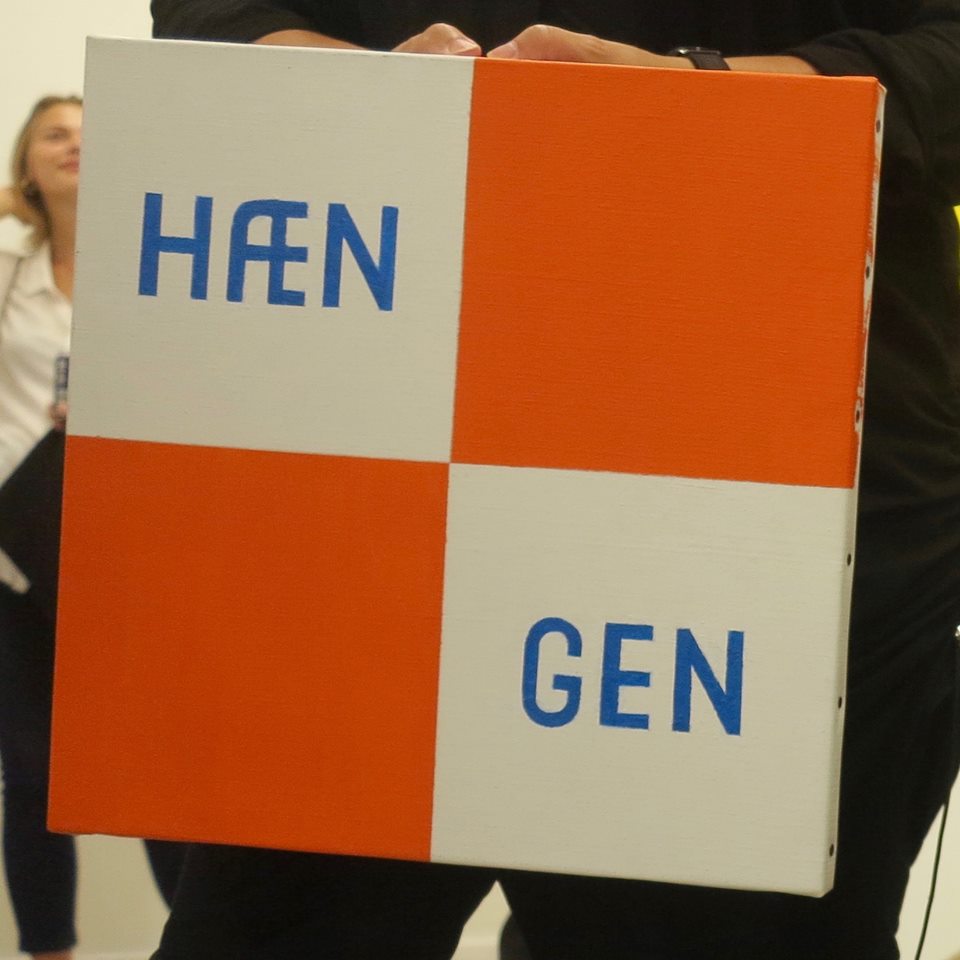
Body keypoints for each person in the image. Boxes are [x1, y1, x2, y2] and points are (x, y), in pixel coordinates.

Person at [148, 4, 960, 958]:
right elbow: (210, 15)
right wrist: (361, 79)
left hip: (785, 483)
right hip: (371, 459)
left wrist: (701, 91)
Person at [0, 95, 188, 960]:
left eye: (89, 132)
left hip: (132, 550)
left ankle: (198, 943)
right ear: (27, 167)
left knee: (151, 771)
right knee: (33, 774)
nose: (75, 146)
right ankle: (51, 952)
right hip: (18, 553)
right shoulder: (10, 273)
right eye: (55, 135)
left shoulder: (162, 262)